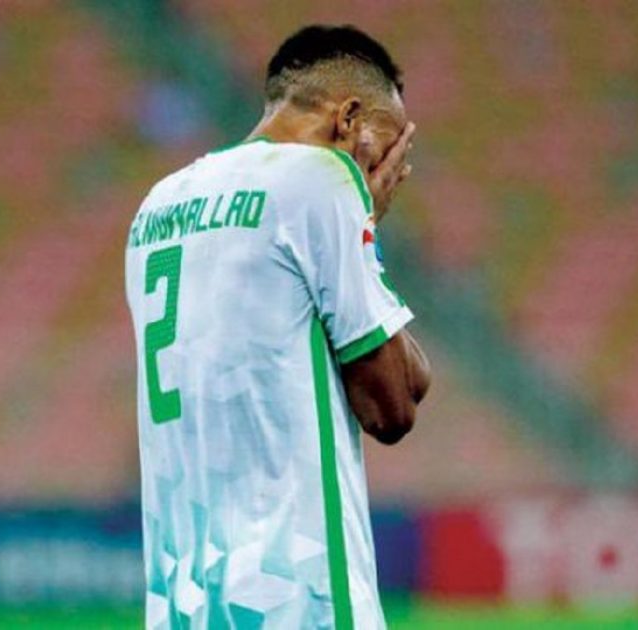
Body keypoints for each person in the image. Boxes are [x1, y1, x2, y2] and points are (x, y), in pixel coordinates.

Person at [124, 24, 431, 629]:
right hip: (295, 599)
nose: (387, 168)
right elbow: (393, 408)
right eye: (387, 146)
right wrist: (365, 228)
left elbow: (406, 377)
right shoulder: (320, 181)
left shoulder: (156, 207)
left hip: (185, 605)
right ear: (348, 119)